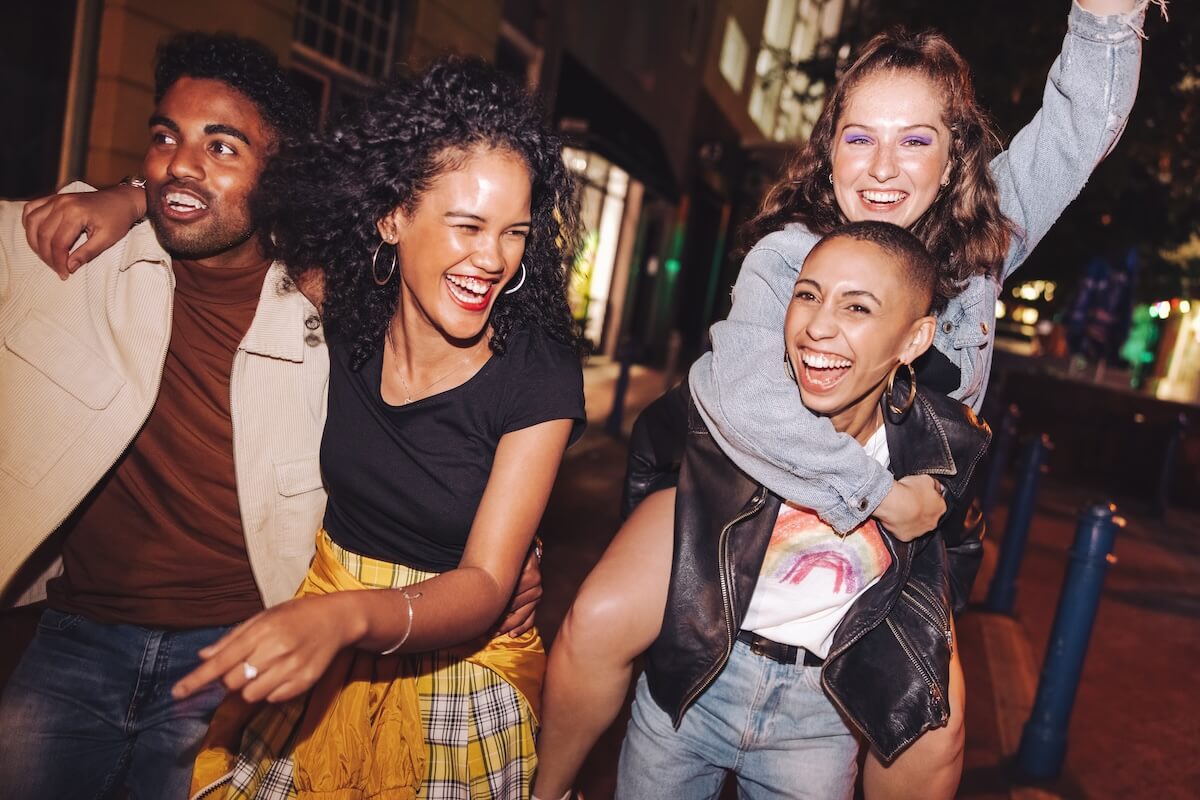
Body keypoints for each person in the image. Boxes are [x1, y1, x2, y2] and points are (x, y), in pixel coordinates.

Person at [532, 2, 1158, 799]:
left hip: (900, 534)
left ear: (954, 156)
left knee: (937, 734)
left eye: (916, 140)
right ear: (829, 153)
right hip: (750, 497)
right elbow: (746, 398)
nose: (884, 167)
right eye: (860, 137)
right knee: (598, 618)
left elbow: (1078, 125)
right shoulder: (788, 256)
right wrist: (877, 495)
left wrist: (1108, 16)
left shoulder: (981, 244)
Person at [0, 34, 538, 800]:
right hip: (75, 635)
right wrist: (122, 194)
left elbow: (435, 427)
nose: (183, 164)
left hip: (246, 646)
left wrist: (506, 549)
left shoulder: (327, 305)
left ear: (274, 175)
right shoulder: (79, 256)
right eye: (165, 139)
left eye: (223, 147)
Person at [171, 57, 585, 800]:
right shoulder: (338, 302)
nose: (491, 259)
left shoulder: (538, 372)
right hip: (320, 630)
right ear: (393, 216)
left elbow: (490, 582)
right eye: (467, 225)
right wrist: (121, 198)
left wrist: (347, 618)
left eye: (515, 232)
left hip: (458, 664)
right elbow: (215, 232)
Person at [618, 221, 988, 798]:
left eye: (857, 307)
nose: (817, 326)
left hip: (821, 719)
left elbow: (956, 552)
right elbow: (654, 451)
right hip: (692, 685)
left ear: (914, 340)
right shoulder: (742, 406)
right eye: (807, 295)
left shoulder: (938, 447)